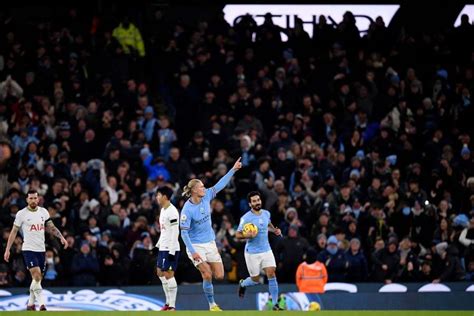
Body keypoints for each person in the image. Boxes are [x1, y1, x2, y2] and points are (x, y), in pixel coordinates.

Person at [180, 157, 242, 311]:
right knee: (207, 274)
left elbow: (220, 184)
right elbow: (184, 233)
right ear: (194, 190)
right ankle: (212, 305)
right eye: (201, 187)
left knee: (219, 276)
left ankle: (208, 286)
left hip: (210, 243)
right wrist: (193, 252)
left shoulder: (207, 195)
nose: (204, 188)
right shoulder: (187, 210)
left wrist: (233, 169)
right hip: (195, 246)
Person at [3, 190, 68, 311]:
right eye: (31, 198)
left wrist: (62, 237)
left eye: (35, 198)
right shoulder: (21, 214)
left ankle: (30, 303)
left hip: (41, 250)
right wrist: (7, 249)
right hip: (28, 249)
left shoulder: (44, 212)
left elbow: (52, 228)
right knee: (37, 275)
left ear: (38, 199)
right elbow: (13, 232)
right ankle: (42, 305)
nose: (33, 200)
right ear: (27, 200)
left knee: (37, 279)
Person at [236, 191, 283, 310]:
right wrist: (248, 236)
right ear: (250, 204)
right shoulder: (246, 218)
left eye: (258, 200)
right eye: (254, 201)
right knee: (255, 280)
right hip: (252, 252)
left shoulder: (266, 213)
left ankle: (275, 304)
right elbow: (237, 234)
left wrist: (275, 230)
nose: (257, 202)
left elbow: (268, 224)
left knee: (271, 273)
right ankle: (243, 284)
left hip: (266, 249)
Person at [155, 186, 180, 311]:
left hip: (171, 248)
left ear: (165, 196)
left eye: (158, 195)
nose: (156, 197)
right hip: (163, 247)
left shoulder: (172, 212)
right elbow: (164, 231)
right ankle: (167, 302)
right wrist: (158, 245)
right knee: (160, 273)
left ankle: (172, 306)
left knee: (168, 274)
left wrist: (171, 252)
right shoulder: (163, 210)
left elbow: (175, 232)